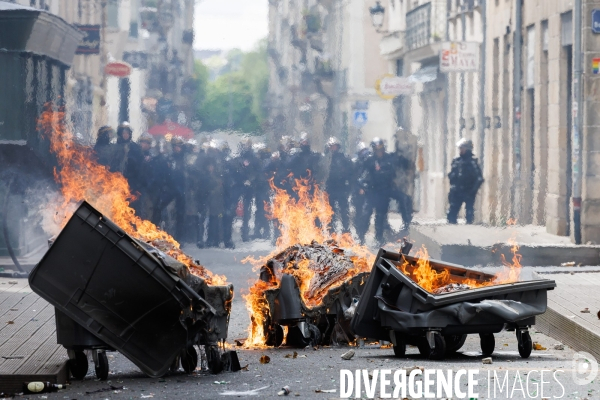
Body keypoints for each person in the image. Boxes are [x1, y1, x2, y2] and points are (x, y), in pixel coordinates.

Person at [358, 137, 394, 245]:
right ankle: (361, 236)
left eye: (380, 149)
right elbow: (363, 173)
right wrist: (362, 184)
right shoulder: (369, 160)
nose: (379, 152)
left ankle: (379, 237)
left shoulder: (388, 159)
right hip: (371, 191)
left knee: (381, 215)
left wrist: (382, 172)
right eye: (377, 150)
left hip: (383, 191)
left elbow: (392, 173)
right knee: (366, 213)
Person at [447, 138, 484, 224]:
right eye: (460, 148)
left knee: (469, 211)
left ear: (467, 149)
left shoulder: (472, 162)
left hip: (468, 190)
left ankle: (468, 227)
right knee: (452, 211)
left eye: (462, 148)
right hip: (457, 190)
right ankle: (452, 226)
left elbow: (479, 178)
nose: (460, 150)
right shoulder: (456, 161)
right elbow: (452, 174)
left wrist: (473, 190)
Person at [233, 137, 260, 242]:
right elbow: (235, 170)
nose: (246, 146)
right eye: (244, 145)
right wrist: (241, 180)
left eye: (247, 145)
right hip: (238, 185)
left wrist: (250, 180)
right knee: (234, 207)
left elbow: (257, 171)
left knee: (247, 209)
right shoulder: (237, 157)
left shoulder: (254, 158)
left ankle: (245, 232)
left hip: (249, 186)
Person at [391, 127, 418, 230]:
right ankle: (405, 221)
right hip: (397, 180)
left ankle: (407, 221)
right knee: (401, 201)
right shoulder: (396, 153)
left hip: (406, 180)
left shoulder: (407, 146)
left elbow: (409, 163)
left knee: (405, 200)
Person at [324, 137, 353, 233]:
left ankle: (346, 230)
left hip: (341, 187)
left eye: (335, 146)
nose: (333, 148)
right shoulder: (325, 159)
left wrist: (348, 186)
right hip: (330, 188)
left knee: (344, 210)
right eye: (331, 146)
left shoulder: (344, 158)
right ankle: (331, 230)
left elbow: (351, 172)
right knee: (330, 211)